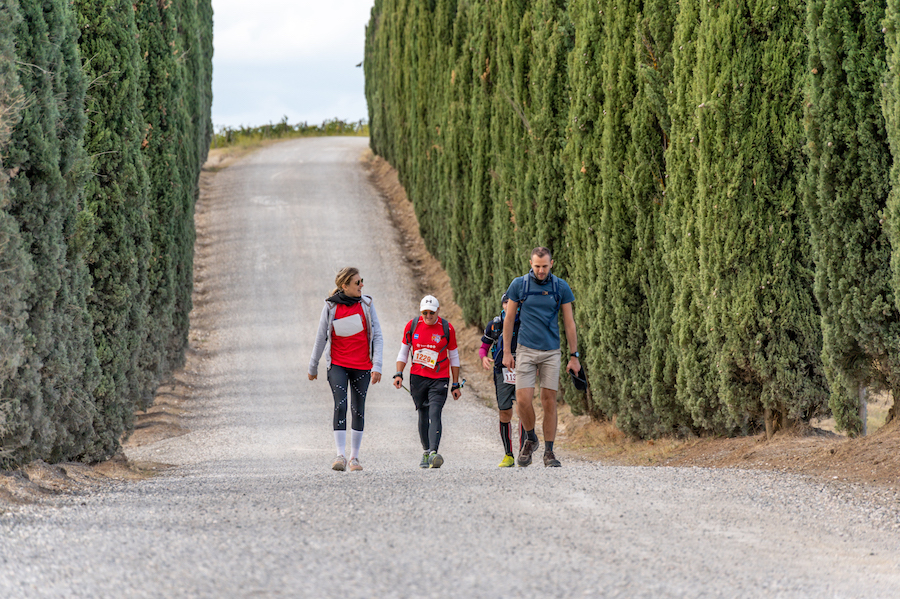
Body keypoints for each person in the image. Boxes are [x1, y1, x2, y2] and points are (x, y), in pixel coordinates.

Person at [502, 247, 579, 467]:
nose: (541, 270)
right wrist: (507, 352)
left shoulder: (560, 287)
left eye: (545, 266)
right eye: (537, 266)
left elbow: (569, 323)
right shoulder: (519, 285)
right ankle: (531, 438)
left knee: (549, 402)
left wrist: (574, 356)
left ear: (551, 263)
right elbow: (509, 320)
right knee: (523, 400)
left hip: (551, 352)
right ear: (531, 263)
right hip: (525, 349)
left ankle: (549, 452)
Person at [309, 267, 383, 472]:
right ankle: (340, 455)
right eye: (357, 282)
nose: (362, 285)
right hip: (338, 365)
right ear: (345, 286)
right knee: (340, 404)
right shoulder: (331, 307)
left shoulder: (367, 304)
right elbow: (321, 337)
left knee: (358, 408)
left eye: (362, 281)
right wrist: (313, 366)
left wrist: (377, 365)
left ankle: (354, 458)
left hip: (362, 366)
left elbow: (377, 336)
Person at [393, 295, 462, 469]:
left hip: (439, 378)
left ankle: (433, 453)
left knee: (435, 413)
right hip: (418, 378)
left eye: (431, 313)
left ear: (438, 311)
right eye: (425, 312)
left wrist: (455, 383)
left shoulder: (447, 328)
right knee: (423, 414)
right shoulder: (413, 325)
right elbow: (403, 351)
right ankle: (426, 451)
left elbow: (454, 356)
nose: (428, 316)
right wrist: (398, 373)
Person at [479, 293, 525, 467]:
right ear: (503, 305)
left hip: (523, 370)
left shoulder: (525, 323)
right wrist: (484, 358)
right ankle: (508, 454)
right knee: (505, 411)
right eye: (506, 302)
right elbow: (484, 347)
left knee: (523, 409)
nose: (509, 305)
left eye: (513, 302)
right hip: (502, 372)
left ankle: (523, 452)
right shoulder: (495, 325)